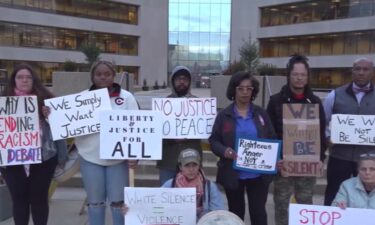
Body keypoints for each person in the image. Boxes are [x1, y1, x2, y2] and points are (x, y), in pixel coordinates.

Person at [0, 64, 67, 225]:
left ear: (34, 80)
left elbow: (61, 130)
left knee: (39, 200)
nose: (24, 80)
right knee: (18, 200)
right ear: (13, 81)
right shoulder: (3, 103)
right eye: (20, 77)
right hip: (12, 160)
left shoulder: (47, 100)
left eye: (28, 77)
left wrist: (50, 117)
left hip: (44, 159)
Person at [74, 60, 139, 225]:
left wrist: (135, 154)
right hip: (90, 157)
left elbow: (138, 127)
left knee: (118, 203)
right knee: (95, 203)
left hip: (118, 159)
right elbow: (68, 122)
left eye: (107, 74)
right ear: (92, 77)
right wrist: (51, 114)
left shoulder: (127, 98)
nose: (103, 77)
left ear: (114, 76)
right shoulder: (81, 98)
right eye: (98, 74)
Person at [209, 71, 276, 225]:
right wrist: (225, 151)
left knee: (259, 215)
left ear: (253, 91)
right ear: (234, 90)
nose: (245, 92)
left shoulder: (261, 114)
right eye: (241, 88)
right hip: (233, 175)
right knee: (235, 215)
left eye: (249, 88)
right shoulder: (224, 115)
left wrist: (275, 158)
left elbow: (272, 138)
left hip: (258, 175)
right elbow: (214, 141)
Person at [266, 54, 326, 225]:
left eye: (303, 75)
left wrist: (321, 158)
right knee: (282, 207)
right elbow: (269, 134)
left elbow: (321, 134)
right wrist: (276, 159)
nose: (299, 78)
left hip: (307, 166)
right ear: (289, 75)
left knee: (305, 206)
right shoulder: (276, 101)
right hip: (284, 165)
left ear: (307, 77)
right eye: (295, 74)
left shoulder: (315, 102)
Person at [323, 57, 375, 206]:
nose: (361, 72)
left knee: (368, 199)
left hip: (370, 159)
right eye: (357, 69)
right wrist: (328, 137)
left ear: (372, 72)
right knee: (333, 195)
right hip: (340, 156)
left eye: (365, 69)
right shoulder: (334, 95)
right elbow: (324, 123)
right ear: (352, 72)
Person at [157, 66, 202, 185]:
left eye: (185, 79)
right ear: (173, 81)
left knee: (192, 199)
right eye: (178, 79)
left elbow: (204, 130)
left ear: (189, 82)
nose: (182, 82)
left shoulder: (198, 103)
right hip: (168, 160)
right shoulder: (163, 104)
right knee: (166, 198)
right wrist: (172, 138)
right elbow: (156, 133)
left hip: (192, 161)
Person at [162, 148, 225, 220]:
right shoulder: (169, 185)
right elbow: (160, 210)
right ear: (180, 167)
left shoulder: (210, 187)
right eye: (187, 165)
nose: (191, 169)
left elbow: (218, 214)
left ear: (199, 166)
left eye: (194, 165)